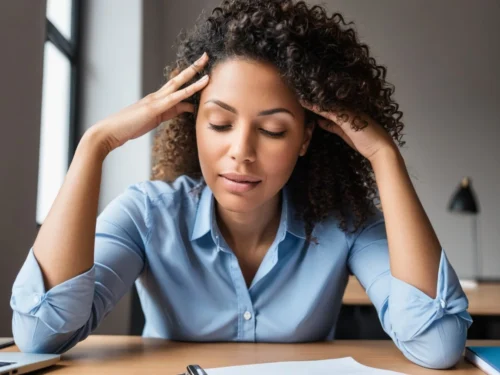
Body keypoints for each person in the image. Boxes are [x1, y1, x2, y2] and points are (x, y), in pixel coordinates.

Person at [11, 0, 472, 369]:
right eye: (219, 124)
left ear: (306, 137)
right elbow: (41, 335)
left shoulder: (344, 223)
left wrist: (383, 155)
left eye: (272, 131)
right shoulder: (147, 214)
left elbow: (437, 344)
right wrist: (95, 144)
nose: (241, 152)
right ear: (193, 124)